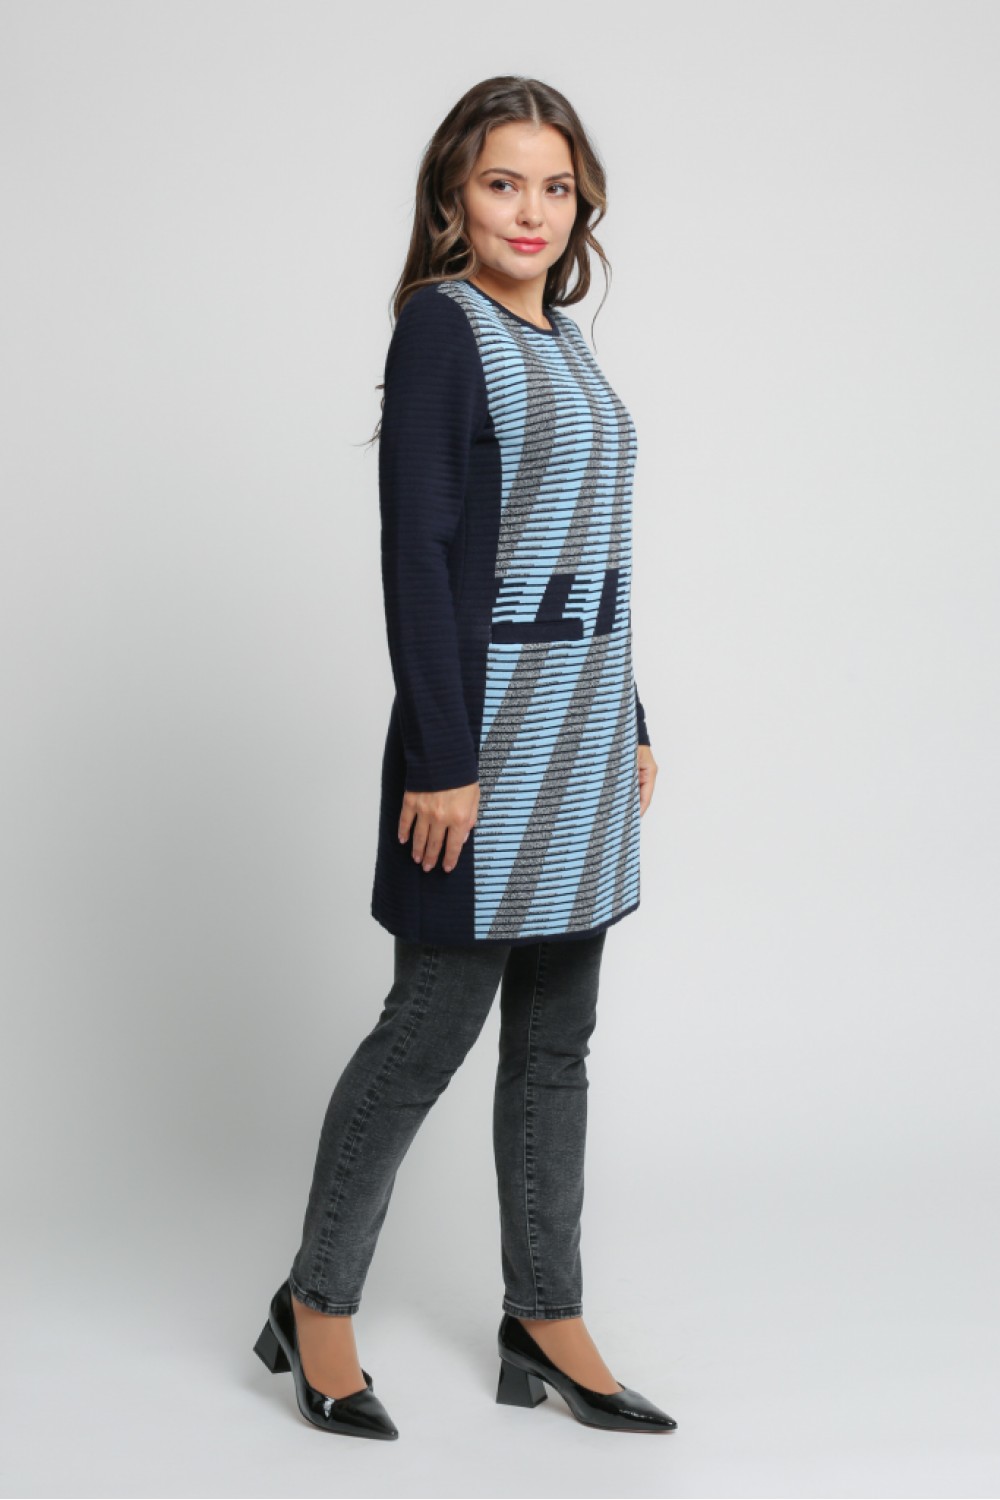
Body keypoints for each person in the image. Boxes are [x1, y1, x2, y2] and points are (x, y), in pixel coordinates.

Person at [252, 75, 677, 1440]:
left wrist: (631, 717)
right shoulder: (443, 328)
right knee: (427, 1032)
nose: (532, 212)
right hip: (480, 742)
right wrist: (443, 758)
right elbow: (420, 555)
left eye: (556, 187)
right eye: (504, 183)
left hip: (581, 735)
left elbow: (583, 553)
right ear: (454, 197)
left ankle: (544, 1314)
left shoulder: (567, 341)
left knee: (558, 1043)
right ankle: (316, 1303)